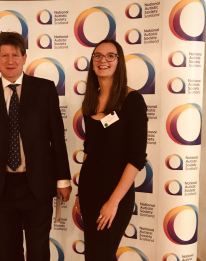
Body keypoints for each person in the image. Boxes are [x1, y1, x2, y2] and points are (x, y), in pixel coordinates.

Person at [0, 31, 71, 261]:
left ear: (24, 57)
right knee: (8, 252)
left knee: (38, 251)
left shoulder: (44, 89)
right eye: (4, 55)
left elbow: (57, 138)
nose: (10, 61)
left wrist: (63, 179)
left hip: (37, 186)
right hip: (1, 187)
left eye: (15, 55)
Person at [74, 39, 147, 260]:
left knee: (102, 255)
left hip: (116, 194)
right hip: (89, 191)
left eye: (110, 56)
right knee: (93, 255)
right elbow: (90, 150)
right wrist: (80, 192)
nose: (103, 60)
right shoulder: (90, 101)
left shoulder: (132, 100)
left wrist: (113, 202)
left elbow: (136, 159)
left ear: (119, 61)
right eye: (97, 56)